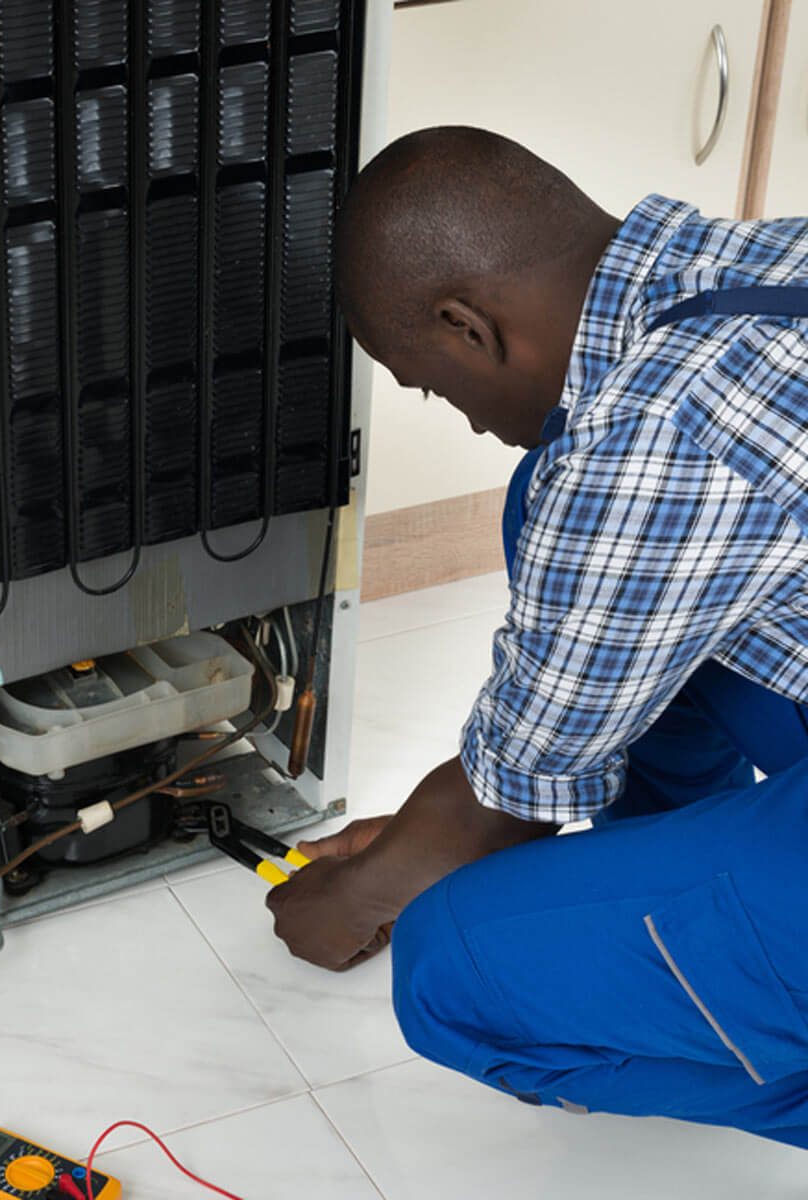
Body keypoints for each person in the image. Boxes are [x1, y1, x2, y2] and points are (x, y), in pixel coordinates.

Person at [267, 126, 808, 1147]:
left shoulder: (658, 433)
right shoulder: (766, 259)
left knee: (454, 965)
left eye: (429, 383)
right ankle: (673, 869)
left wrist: (360, 896)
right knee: (544, 497)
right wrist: (445, 823)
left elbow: (503, 799)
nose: (465, 420)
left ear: (469, 326)